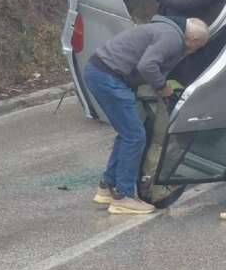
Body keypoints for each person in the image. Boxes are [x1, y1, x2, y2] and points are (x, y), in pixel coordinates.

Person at [84, 15, 210, 214]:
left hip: (99, 71)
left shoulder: (162, 28)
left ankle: (107, 186)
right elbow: (147, 65)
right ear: (192, 41)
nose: (192, 51)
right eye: (197, 47)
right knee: (135, 136)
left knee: (127, 134)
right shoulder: (172, 38)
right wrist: (162, 87)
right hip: (109, 78)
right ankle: (123, 197)